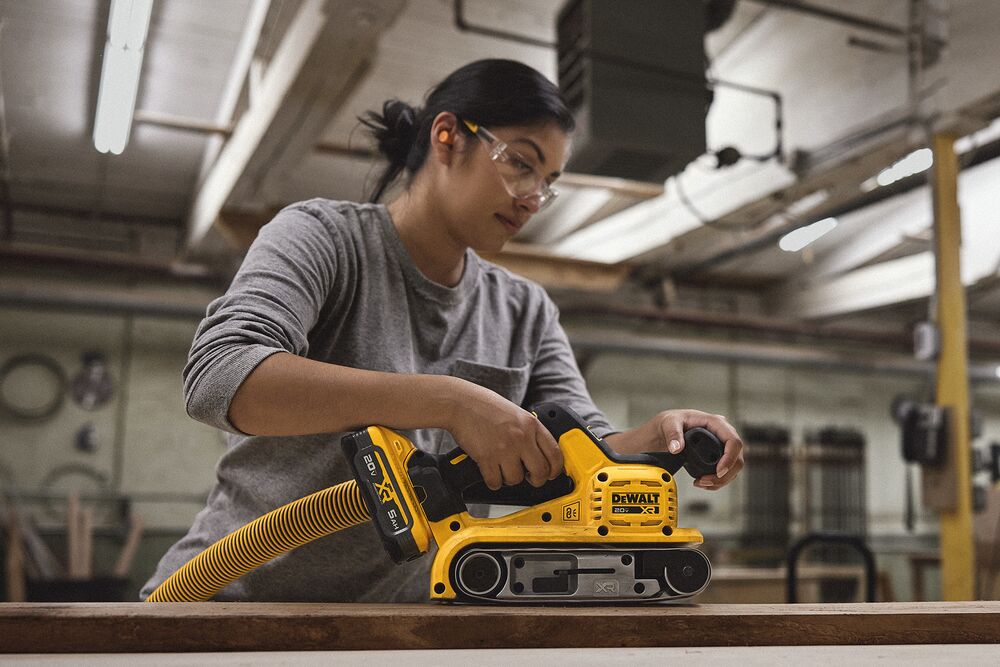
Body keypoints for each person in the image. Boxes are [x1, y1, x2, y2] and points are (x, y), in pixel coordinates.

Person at [141, 58, 744, 602]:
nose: (532, 197)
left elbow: (586, 450)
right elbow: (220, 378)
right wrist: (450, 402)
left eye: (547, 182)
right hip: (230, 605)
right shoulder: (322, 239)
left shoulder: (524, 310)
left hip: (404, 625)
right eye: (521, 163)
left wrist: (662, 439)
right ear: (448, 137)